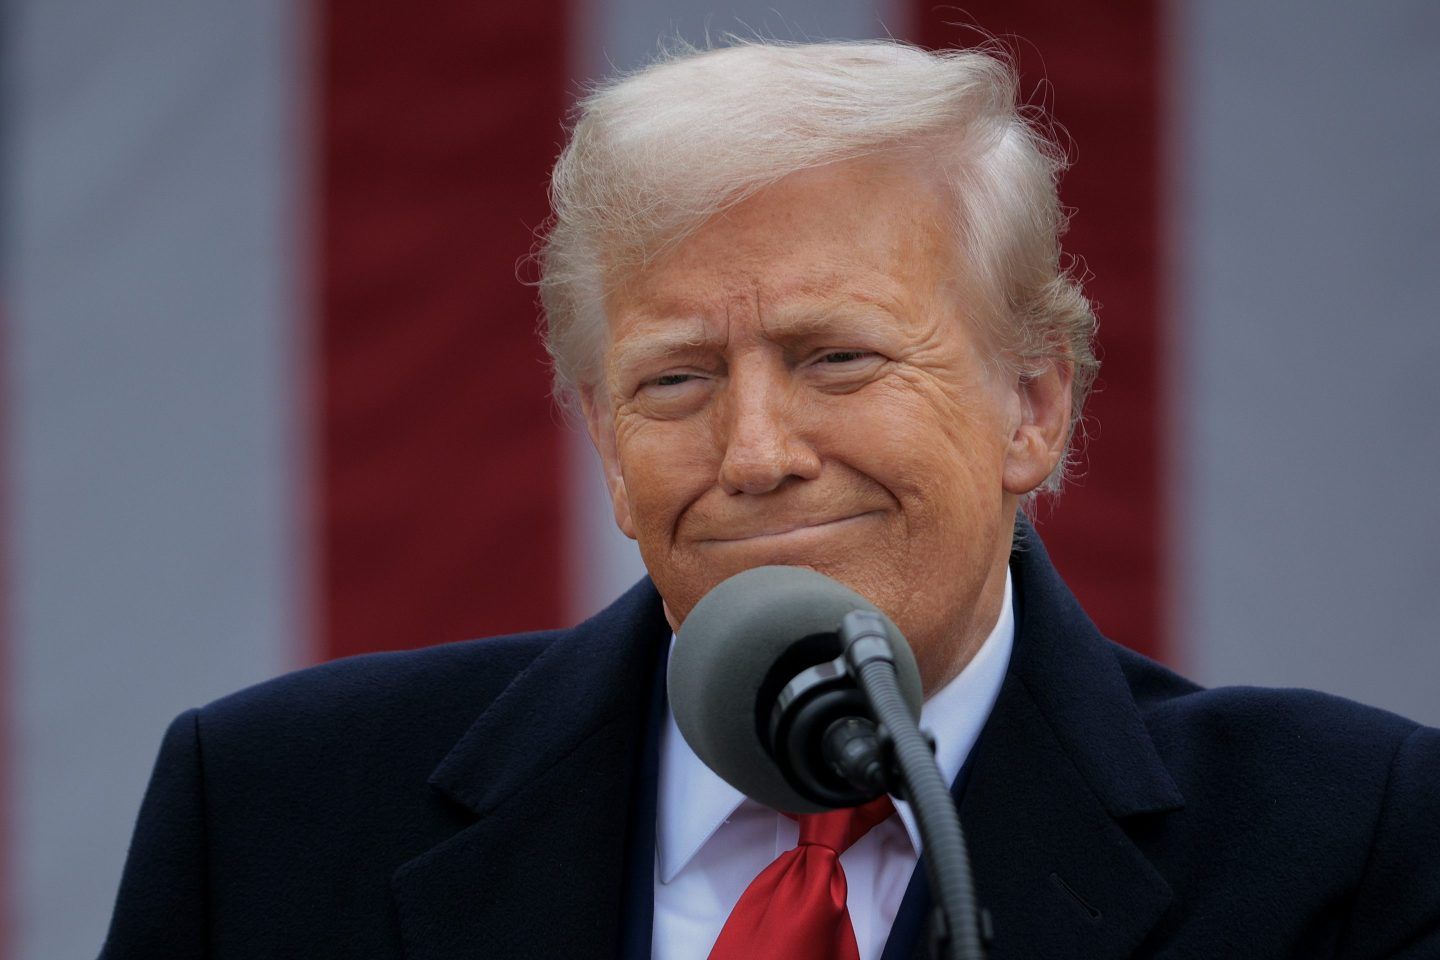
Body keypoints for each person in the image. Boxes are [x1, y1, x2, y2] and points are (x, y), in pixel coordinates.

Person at [100, 40, 1439, 960]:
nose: (754, 452)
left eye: (835, 358)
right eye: (675, 381)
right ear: (608, 447)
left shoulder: (1349, 839)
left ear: (1035, 404)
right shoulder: (274, 814)